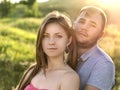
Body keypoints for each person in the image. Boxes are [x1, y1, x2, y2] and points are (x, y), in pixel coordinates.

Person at [16, 11, 80, 90]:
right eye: (46, 36)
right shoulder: (33, 70)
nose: (51, 42)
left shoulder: (69, 78)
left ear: (68, 40)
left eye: (58, 36)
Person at [74, 6, 115, 90]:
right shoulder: (60, 51)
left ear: (100, 35)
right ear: (74, 24)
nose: (84, 27)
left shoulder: (104, 64)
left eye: (92, 25)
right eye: (82, 21)